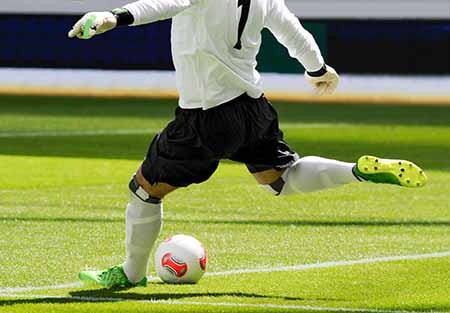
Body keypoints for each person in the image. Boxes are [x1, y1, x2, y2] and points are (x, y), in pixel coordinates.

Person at [68, 0, 427, 288]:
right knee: (282, 178)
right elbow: (294, 33)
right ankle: (356, 171)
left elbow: (159, 5)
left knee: (144, 190)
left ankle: (131, 274)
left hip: (205, 117)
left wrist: (112, 17)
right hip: (253, 109)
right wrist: (318, 70)